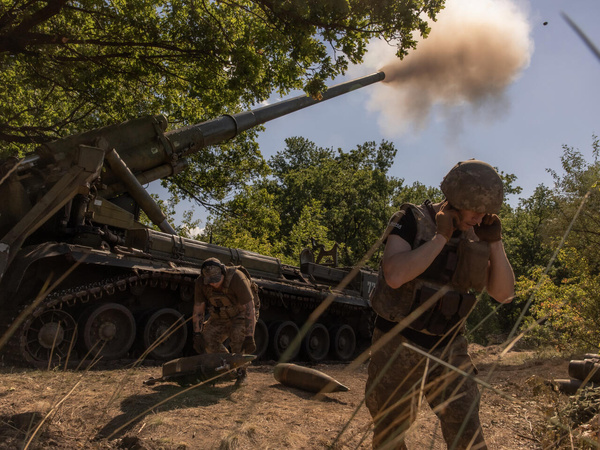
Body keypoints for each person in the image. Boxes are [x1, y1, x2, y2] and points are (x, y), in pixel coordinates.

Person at [365, 159, 515, 449]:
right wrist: (440, 238)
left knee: (467, 431)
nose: (480, 216)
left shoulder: (477, 233)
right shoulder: (410, 219)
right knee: (389, 433)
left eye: (486, 211)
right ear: (455, 199)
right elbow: (395, 275)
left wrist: (495, 244)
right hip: (398, 344)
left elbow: (504, 294)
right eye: (475, 209)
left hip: (449, 349)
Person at [193, 257, 258, 385]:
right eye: (210, 281)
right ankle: (228, 369)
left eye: (216, 280)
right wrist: (197, 334)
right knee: (207, 339)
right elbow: (198, 310)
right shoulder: (201, 283)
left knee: (238, 338)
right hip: (220, 316)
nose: (213, 284)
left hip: (241, 314)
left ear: (223, 272)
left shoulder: (237, 278)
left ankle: (241, 372)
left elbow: (250, 308)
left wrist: (250, 337)